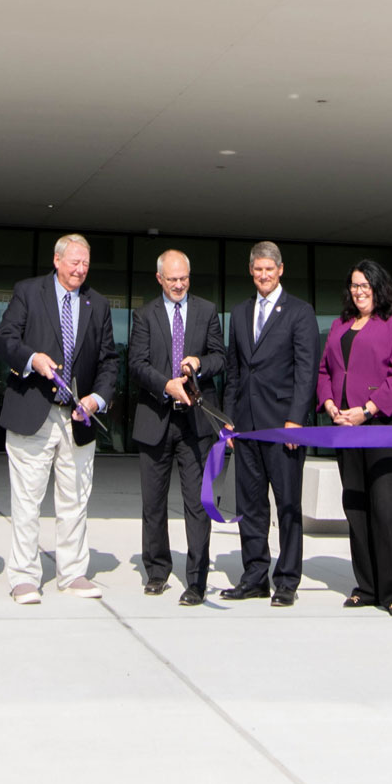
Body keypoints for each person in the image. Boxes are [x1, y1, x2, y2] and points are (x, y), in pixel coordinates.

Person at [0, 233, 118, 603]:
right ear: (57, 260)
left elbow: (110, 360)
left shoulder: (98, 303)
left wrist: (97, 399)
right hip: (33, 411)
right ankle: (24, 577)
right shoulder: (28, 292)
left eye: (85, 263)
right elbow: (4, 339)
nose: (80, 270)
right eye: (74, 262)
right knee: (27, 501)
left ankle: (73, 573)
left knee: (75, 500)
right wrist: (33, 360)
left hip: (77, 418)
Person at [222, 241, 322, 607]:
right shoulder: (239, 311)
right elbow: (234, 372)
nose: (264, 275)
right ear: (251, 271)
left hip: (284, 428)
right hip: (246, 427)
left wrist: (296, 420)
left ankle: (286, 581)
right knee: (249, 506)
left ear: (281, 270)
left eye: (270, 269)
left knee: (287, 506)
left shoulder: (300, 311)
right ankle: (254, 577)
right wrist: (229, 420)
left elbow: (306, 372)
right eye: (258, 269)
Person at [318, 258, 392, 615]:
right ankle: (367, 586)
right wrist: (330, 405)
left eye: (366, 285)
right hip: (346, 426)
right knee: (356, 505)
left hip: (387, 423)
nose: (359, 292)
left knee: (388, 508)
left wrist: (369, 409)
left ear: (379, 287)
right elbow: (325, 370)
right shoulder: (339, 325)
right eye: (355, 285)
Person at [128, 249, 225, 605]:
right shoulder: (144, 315)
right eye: (173, 279)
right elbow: (136, 364)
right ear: (159, 279)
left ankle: (197, 580)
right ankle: (156, 570)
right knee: (153, 503)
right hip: (155, 418)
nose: (180, 285)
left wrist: (199, 363)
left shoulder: (207, 311)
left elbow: (221, 356)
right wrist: (165, 384)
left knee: (197, 504)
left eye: (184, 278)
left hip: (196, 424)